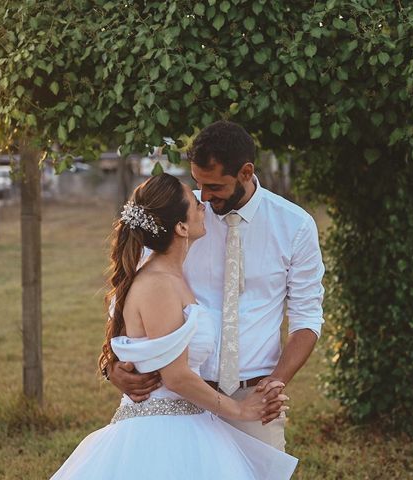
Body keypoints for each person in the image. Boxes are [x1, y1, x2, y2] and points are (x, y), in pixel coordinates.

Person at [52, 173, 297, 479]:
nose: (203, 206)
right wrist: (239, 410)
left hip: (193, 418)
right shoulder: (158, 284)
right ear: (181, 227)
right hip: (162, 431)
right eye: (195, 204)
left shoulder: (169, 277)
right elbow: (176, 376)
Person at [107, 121, 325, 451]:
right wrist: (111, 366)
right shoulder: (180, 215)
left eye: (214, 187)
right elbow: (126, 297)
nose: (205, 198)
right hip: (179, 398)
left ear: (245, 172)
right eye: (198, 185)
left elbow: (307, 318)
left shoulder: (295, 226)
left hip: (253, 395)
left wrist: (273, 383)